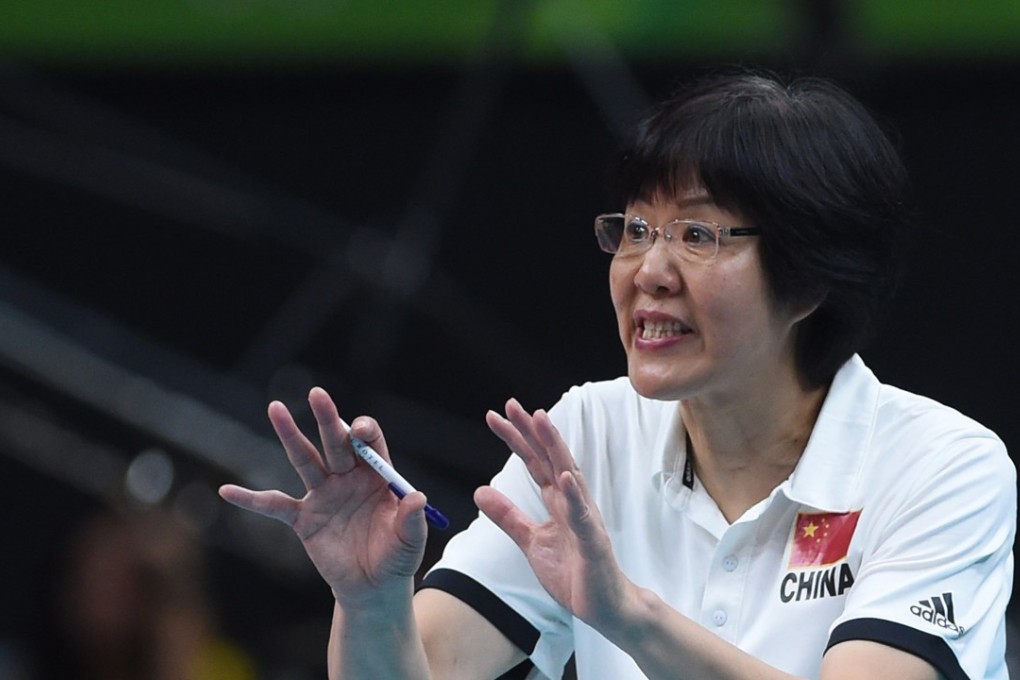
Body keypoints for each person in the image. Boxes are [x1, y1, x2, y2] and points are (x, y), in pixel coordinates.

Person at [219, 70, 1015, 679]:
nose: (649, 271)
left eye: (697, 235)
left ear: (810, 280)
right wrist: (370, 600)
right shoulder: (584, 437)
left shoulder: (944, 467)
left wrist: (627, 615)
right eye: (636, 229)